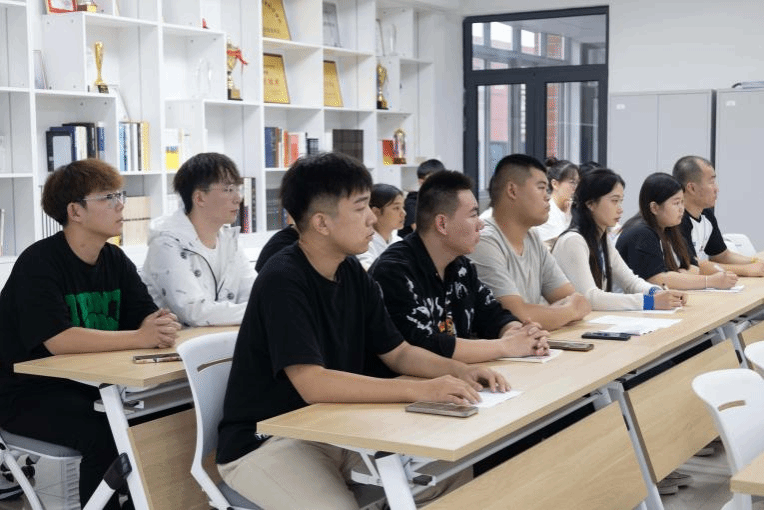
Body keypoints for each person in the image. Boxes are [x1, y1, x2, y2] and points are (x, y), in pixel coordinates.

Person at [216, 152, 507, 510]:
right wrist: (419, 389)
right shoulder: (283, 278)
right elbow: (313, 384)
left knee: (448, 471)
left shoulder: (351, 271)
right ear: (322, 223)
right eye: (360, 207)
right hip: (268, 440)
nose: (372, 217)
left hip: (335, 426)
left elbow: (398, 352)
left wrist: (459, 371)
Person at [0, 159, 181, 510]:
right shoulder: (38, 263)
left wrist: (161, 325)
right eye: (108, 197)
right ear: (75, 211)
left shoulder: (115, 259)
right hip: (24, 394)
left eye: (120, 195)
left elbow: (145, 317)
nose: (121, 205)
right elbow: (58, 340)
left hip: (86, 386)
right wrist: (140, 337)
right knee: (107, 433)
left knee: (160, 419)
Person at [370, 170, 549, 364]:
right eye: (473, 215)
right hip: (410, 381)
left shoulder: (461, 266)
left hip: (456, 377)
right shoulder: (394, 271)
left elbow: (493, 314)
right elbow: (424, 345)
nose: (480, 224)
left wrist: (520, 333)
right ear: (442, 224)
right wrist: (506, 346)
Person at [469, 154, 591, 331]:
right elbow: (515, 315)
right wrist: (569, 311)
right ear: (512, 191)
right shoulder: (483, 240)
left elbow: (579, 301)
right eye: (541, 188)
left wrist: (550, 313)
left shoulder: (532, 236)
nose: (547, 197)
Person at [142, 152, 256, 326]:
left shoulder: (228, 239)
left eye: (237, 189)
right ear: (200, 198)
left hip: (221, 338)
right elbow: (194, 312)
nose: (238, 198)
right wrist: (262, 310)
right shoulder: (166, 244)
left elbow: (256, 293)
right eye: (228, 190)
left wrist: (265, 307)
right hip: (181, 341)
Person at [552, 168, 687, 311]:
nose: (620, 209)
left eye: (620, 201)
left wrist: (658, 292)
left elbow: (630, 282)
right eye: (614, 201)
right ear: (590, 204)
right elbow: (589, 298)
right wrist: (650, 302)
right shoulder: (573, 241)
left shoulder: (601, 239)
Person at [616, 172, 738, 290]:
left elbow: (694, 267)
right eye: (676, 203)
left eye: (682, 202)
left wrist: (677, 276)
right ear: (654, 208)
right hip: (627, 302)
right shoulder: (641, 233)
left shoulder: (670, 228)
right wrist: (709, 281)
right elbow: (657, 279)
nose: (681, 209)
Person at [672, 155, 764, 277]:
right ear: (692, 188)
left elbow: (722, 256)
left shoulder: (706, 214)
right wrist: (746, 270)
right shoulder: (675, 220)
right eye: (711, 182)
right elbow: (692, 266)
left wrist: (755, 261)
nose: (716, 189)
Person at [357, 183, 405, 269]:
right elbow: (368, 272)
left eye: (403, 207)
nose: (403, 213)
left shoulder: (399, 241)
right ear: (376, 212)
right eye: (396, 208)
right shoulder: (362, 242)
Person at [534, 158, 578, 244]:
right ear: (555, 184)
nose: (575, 188)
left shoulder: (574, 209)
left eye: (577, 183)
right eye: (572, 182)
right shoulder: (546, 212)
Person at [399, 158, 445, 237]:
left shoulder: (445, 200)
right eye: (423, 182)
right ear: (420, 182)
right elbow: (421, 232)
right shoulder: (413, 201)